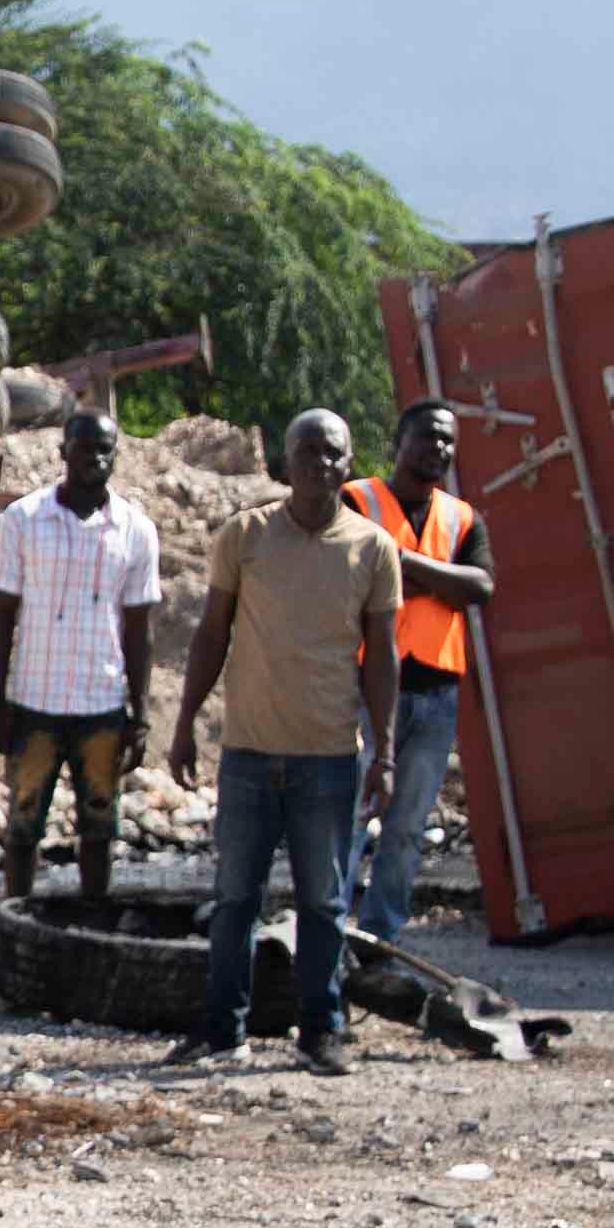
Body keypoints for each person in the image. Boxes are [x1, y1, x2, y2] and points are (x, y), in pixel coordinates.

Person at [157, 407, 404, 1072]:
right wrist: (183, 727)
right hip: (248, 753)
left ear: (349, 464)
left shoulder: (373, 548)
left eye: (333, 454)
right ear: (284, 464)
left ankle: (321, 1031)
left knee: (323, 900)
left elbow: (381, 658)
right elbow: (212, 635)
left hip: (328, 756)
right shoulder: (246, 536)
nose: (320, 464)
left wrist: (386, 749)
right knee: (235, 896)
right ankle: (221, 1031)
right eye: (308, 452)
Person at [0, 410, 165, 900]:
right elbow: (1, 616)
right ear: (63, 452)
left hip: (101, 703)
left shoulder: (135, 530)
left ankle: (92, 925)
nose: (96, 459)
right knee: (22, 826)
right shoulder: (22, 520)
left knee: (100, 828)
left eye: (106, 450)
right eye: (85, 448)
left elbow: (140, 627)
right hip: (33, 702)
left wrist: (140, 715)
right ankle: (16, 919)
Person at [349, 402, 494, 944]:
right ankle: (330, 933)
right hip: (363, 687)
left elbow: (479, 588)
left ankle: (378, 937)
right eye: (430, 437)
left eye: (449, 441)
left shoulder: (462, 518)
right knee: (350, 817)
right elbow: (355, 571)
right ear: (399, 439)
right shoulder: (355, 500)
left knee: (407, 825)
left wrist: (404, 564)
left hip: (435, 691)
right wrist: (442, 580)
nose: (440, 449)